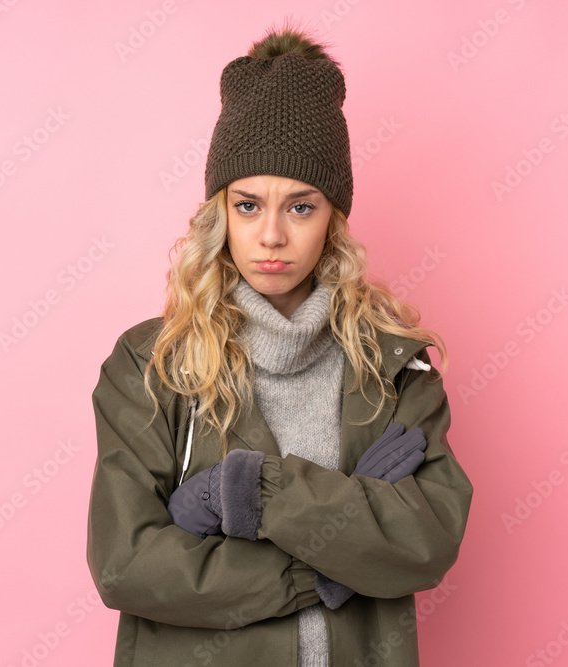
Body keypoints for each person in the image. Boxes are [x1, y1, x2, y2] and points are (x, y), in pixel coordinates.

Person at [86, 21, 473, 667]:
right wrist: (330, 555)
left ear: (333, 217)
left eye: (300, 206)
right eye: (247, 205)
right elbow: (127, 565)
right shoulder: (151, 364)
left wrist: (252, 490)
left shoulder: (395, 365)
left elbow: (426, 541)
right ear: (220, 212)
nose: (271, 235)